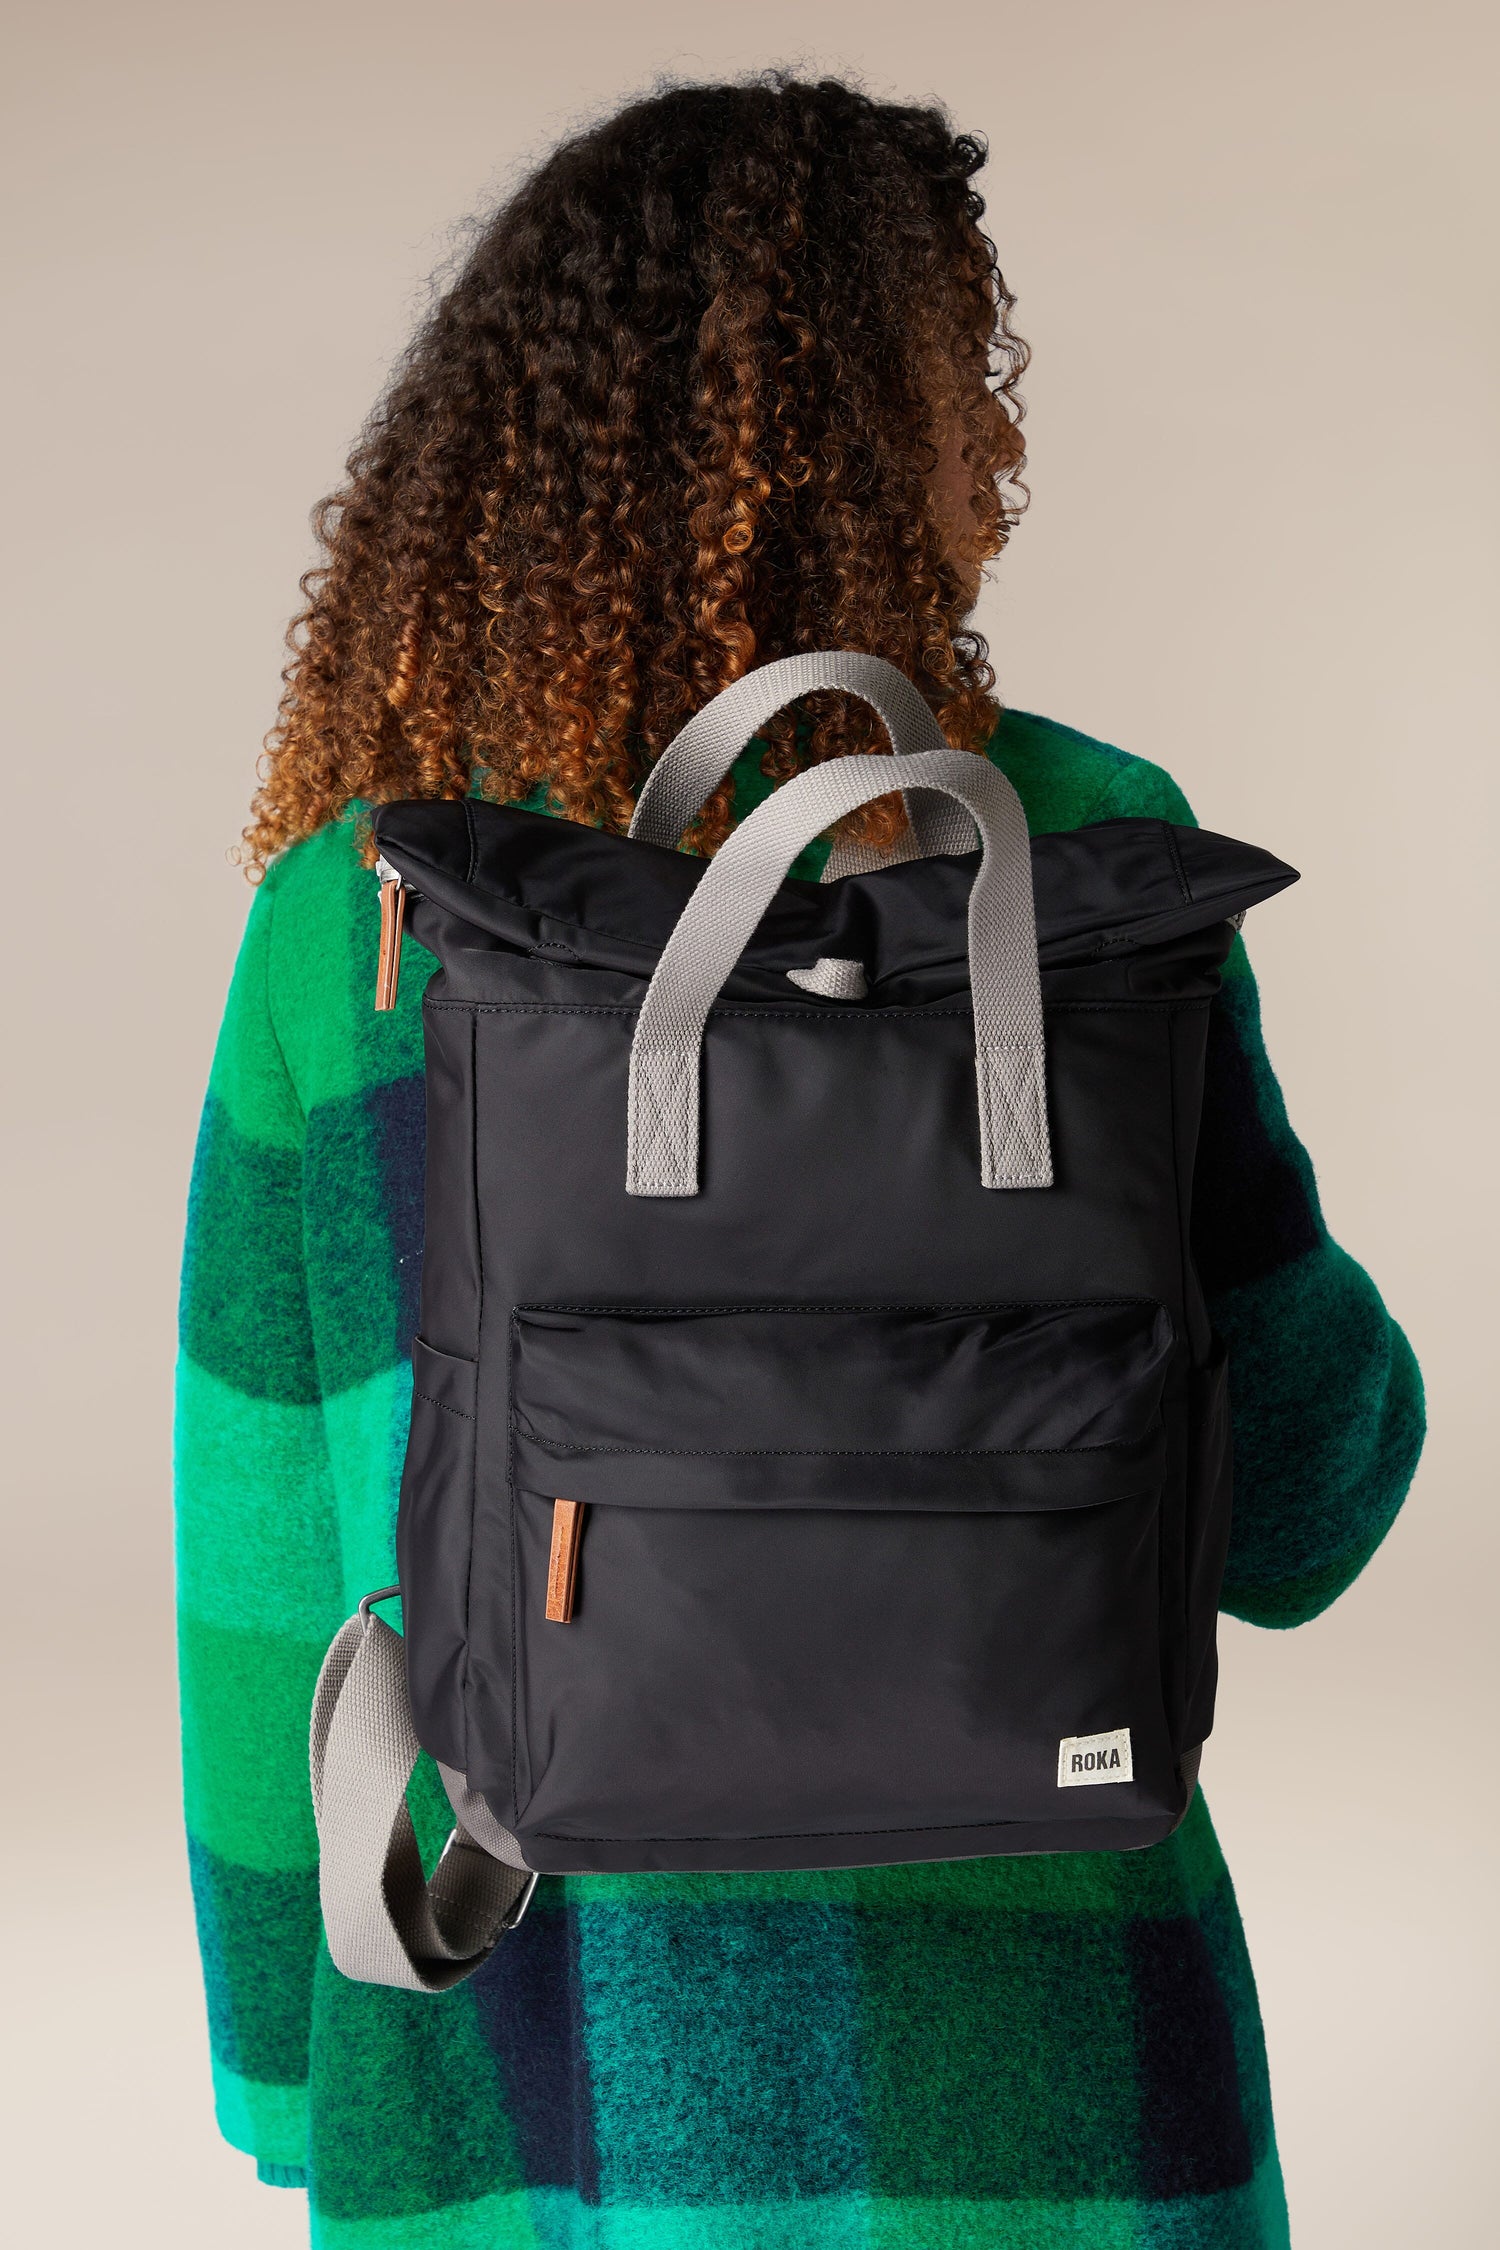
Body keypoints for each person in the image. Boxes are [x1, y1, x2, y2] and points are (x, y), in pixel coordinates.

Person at [176, 74, 1424, 2249]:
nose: (992, 463)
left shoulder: (359, 920)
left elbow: (267, 1586)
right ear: (861, 436)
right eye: (967, 387)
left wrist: (303, 2081)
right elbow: (1310, 1502)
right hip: (1045, 2099)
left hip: (523, 2068)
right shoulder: (1071, 867)